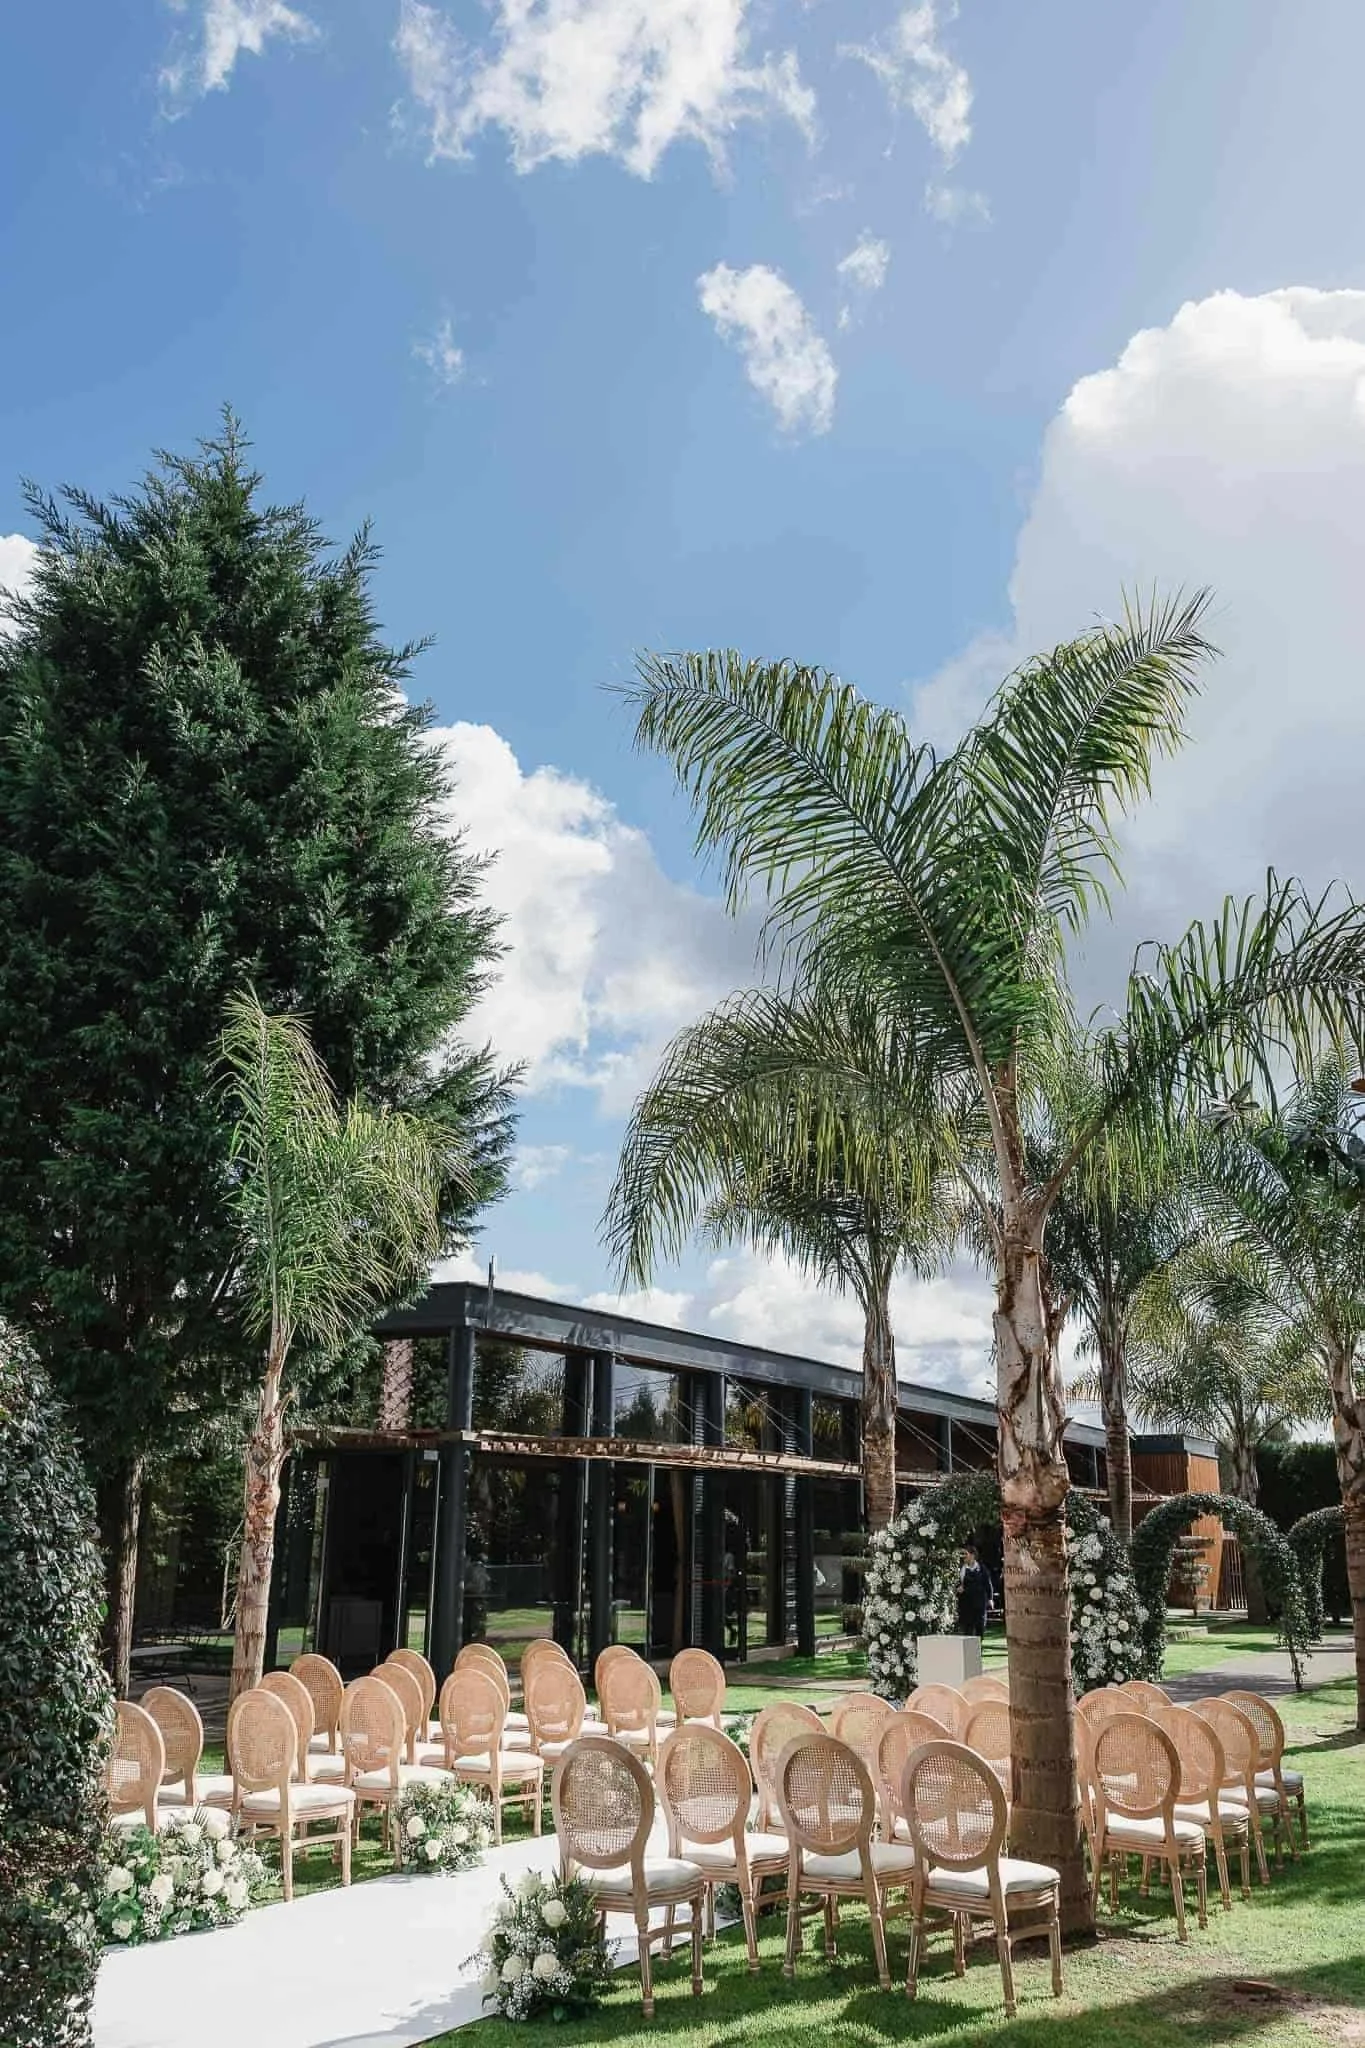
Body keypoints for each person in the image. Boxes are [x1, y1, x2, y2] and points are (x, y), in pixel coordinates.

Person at [956, 1541, 991, 1637]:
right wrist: (958, 1588)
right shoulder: (960, 1569)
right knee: (968, 1628)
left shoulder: (981, 1568)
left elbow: (987, 1584)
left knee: (980, 1627)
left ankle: (979, 1648)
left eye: (965, 1554)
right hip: (966, 1603)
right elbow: (956, 1583)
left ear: (972, 1555)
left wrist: (990, 1599)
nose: (963, 1556)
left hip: (979, 1603)